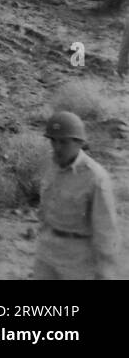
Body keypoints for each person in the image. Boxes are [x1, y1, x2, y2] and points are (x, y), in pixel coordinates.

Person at [33, 111, 120, 280]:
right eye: (53, 141)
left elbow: (106, 228)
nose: (57, 148)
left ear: (79, 143)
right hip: (47, 250)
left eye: (64, 142)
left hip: (78, 258)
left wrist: (105, 271)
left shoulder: (95, 177)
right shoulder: (49, 166)